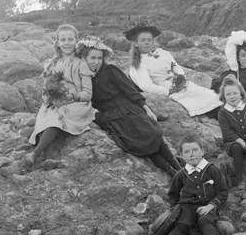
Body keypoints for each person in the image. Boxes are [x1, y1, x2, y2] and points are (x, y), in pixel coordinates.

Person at [79, 36, 181, 176]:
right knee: (138, 142)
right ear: (84, 58)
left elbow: (129, 90)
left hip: (129, 108)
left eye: (99, 58)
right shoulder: (83, 77)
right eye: (93, 58)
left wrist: (146, 108)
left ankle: (179, 168)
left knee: (153, 133)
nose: (96, 62)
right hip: (111, 116)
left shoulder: (110, 70)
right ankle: (173, 173)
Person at [19, 24, 95, 171]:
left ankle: (34, 155)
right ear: (58, 43)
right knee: (45, 115)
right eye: (63, 39)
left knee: (56, 114)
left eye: (70, 39)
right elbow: (46, 88)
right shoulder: (52, 63)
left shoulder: (82, 64)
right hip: (55, 101)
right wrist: (49, 98)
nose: (66, 43)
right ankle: (49, 159)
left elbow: (88, 94)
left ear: (76, 41)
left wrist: (71, 95)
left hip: (76, 103)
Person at [125, 25, 222, 117]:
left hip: (180, 83)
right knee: (199, 102)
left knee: (211, 95)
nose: (147, 42)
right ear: (136, 43)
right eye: (143, 40)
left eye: (149, 40)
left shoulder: (162, 53)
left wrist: (181, 78)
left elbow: (176, 67)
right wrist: (169, 91)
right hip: (167, 87)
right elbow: (147, 86)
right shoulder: (138, 65)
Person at [164, 134, 229, 235]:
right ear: (182, 155)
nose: (191, 154)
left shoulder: (212, 170)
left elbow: (223, 192)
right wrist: (175, 210)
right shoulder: (181, 174)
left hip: (206, 206)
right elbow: (173, 194)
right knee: (182, 225)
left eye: (195, 150)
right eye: (187, 152)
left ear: (202, 151)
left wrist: (211, 205)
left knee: (205, 221)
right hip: (187, 206)